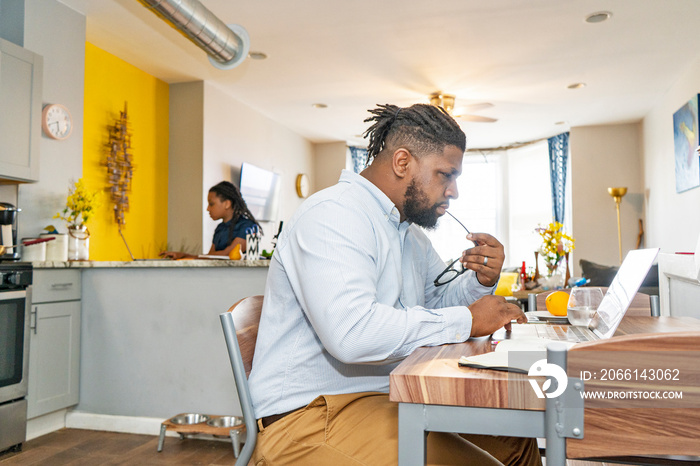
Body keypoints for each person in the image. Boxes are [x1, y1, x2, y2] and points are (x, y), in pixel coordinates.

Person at [247, 103, 540, 465]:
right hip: (307, 419)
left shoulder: (407, 234)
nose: (454, 191)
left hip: (386, 397)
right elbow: (352, 333)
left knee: (516, 439)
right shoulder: (333, 215)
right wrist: (468, 319)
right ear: (402, 162)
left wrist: (480, 282)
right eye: (446, 175)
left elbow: (437, 301)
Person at [160, 181, 261, 259]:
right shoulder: (220, 228)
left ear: (227, 204)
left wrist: (186, 256)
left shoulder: (247, 226)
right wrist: (184, 255)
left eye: (211, 204)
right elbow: (210, 256)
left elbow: (229, 255)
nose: (208, 209)